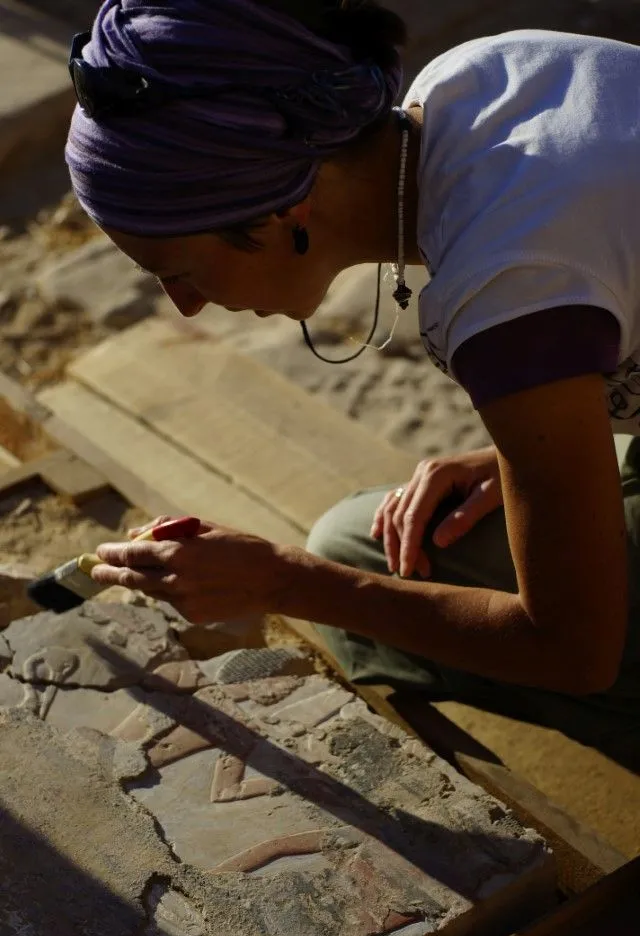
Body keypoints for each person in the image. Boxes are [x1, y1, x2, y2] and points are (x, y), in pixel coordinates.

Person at [65, 0, 640, 771]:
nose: (188, 305)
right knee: (364, 539)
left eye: (179, 272)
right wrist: (533, 444)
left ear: (281, 209)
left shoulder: (509, 294)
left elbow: (573, 651)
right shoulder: (479, 76)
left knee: (348, 569)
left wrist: (280, 581)